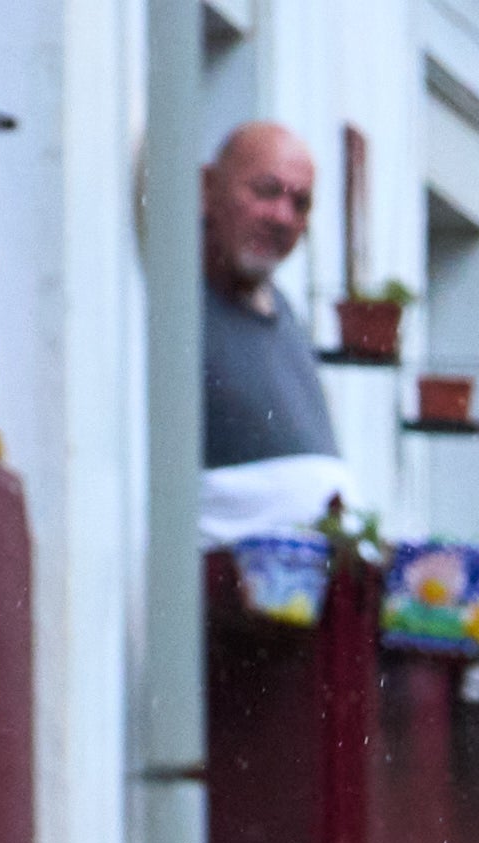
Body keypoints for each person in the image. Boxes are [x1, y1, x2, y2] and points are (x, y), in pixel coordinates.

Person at [201, 119, 348, 539]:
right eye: (266, 191)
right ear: (207, 188)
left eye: (300, 203)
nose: (282, 216)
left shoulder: (284, 310)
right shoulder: (175, 302)